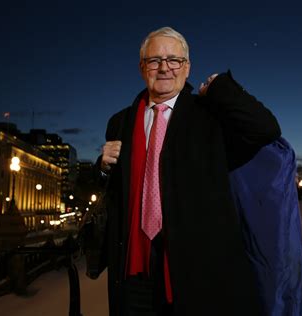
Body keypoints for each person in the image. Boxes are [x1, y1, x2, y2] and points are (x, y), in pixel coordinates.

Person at [98, 26, 281, 316]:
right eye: (155, 60)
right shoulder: (120, 121)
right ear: (141, 67)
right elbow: (116, 196)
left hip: (198, 272)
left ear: (187, 67)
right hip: (134, 273)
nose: (164, 68)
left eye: (174, 60)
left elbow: (266, 129)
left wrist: (222, 87)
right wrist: (104, 169)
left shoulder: (209, 113)